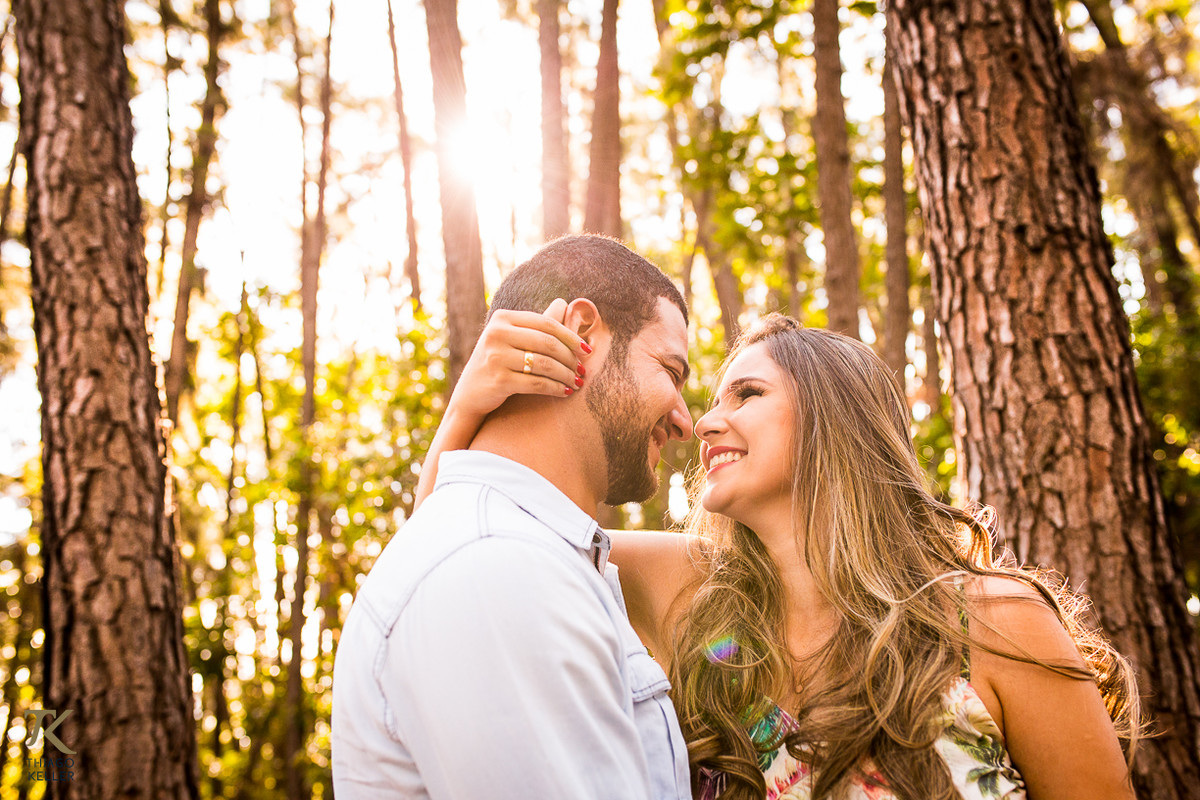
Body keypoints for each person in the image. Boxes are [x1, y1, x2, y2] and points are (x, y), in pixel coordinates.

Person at [422, 310, 1143, 800]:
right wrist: (468, 404)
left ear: (836, 420)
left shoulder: (993, 624)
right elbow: (463, 555)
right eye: (712, 398)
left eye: (748, 392)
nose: (705, 421)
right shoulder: (693, 603)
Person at [331, 235, 695, 799]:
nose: (686, 423)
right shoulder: (499, 566)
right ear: (582, 334)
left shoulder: (536, 553)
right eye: (671, 371)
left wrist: (461, 417)